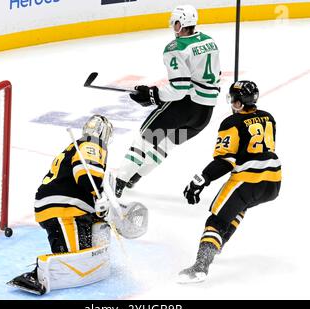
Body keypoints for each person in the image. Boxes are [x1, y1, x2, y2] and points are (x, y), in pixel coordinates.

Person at [178, 80, 282, 283]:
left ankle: (201, 267)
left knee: (216, 220)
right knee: (237, 207)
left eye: (235, 101)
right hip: (274, 180)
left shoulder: (231, 123)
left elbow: (226, 161)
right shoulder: (269, 118)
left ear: (240, 103)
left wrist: (202, 179)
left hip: (250, 179)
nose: (232, 104)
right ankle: (217, 245)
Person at [114, 4, 221, 198]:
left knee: (145, 139)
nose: (174, 27)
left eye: (176, 23)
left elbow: (179, 89)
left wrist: (153, 95)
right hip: (204, 115)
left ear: (181, 24)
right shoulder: (209, 41)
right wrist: (155, 93)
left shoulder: (176, 48)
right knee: (165, 145)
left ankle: (119, 181)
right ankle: (135, 177)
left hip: (185, 107)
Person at [7, 115, 114, 295]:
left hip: (59, 205)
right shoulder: (92, 142)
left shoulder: (77, 146)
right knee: (78, 262)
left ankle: (52, 263)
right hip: (64, 207)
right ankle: (38, 274)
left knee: (88, 248)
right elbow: (86, 174)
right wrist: (99, 196)